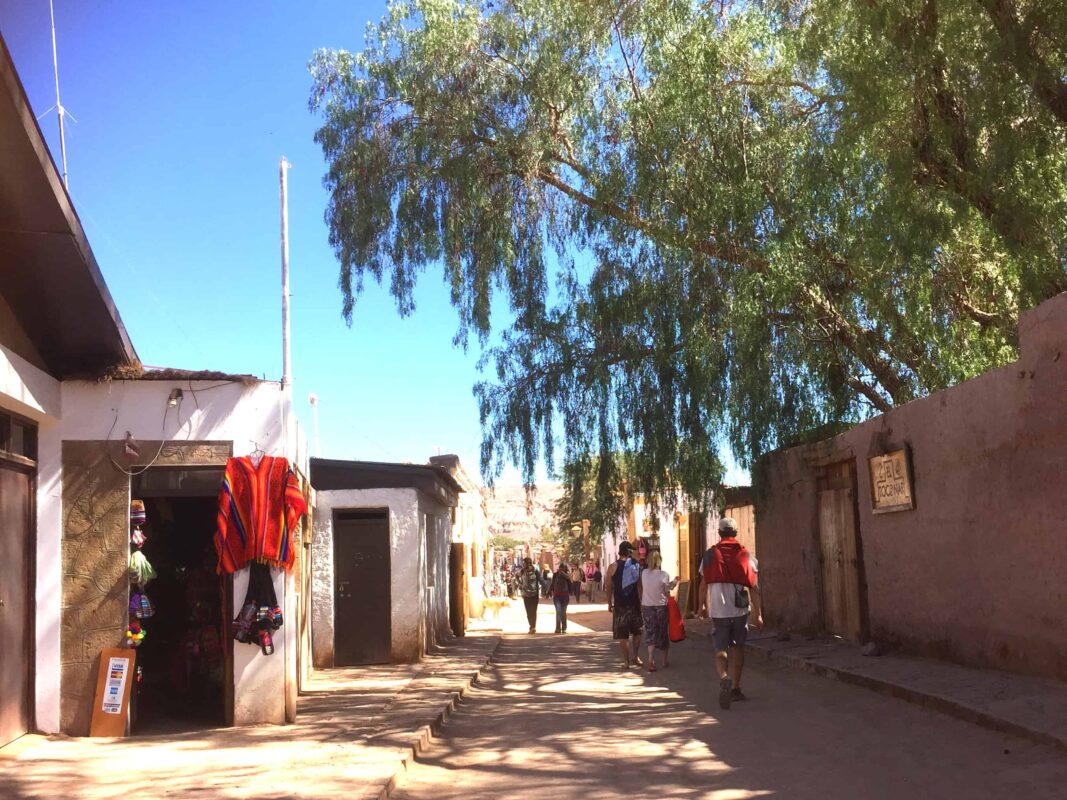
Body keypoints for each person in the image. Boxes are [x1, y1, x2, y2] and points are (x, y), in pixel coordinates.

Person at [698, 517, 762, 710]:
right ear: (735, 533)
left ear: (719, 533)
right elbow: (754, 588)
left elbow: (703, 584)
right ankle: (735, 688)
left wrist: (701, 606)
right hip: (740, 611)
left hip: (718, 611)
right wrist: (758, 613)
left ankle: (724, 677)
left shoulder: (709, 556)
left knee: (720, 648)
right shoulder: (747, 556)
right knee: (738, 648)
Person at [605, 541, 643, 667]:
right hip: (634, 603)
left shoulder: (612, 566)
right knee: (637, 632)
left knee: (623, 634)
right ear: (629, 552)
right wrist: (641, 600)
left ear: (619, 552)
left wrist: (609, 602)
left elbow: (609, 587)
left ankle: (626, 661)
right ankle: (636, 656)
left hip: (620, 604)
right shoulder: (635, 565)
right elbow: (639, 585)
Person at [640, 551, 679, 672]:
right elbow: (667, 590)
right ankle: (664, 660)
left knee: (650, 632)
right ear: (659, 561)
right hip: (660, 607)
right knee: (662, 632)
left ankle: (651, 659)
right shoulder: (664, 575)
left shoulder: (644, 573)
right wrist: (675, 582)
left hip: (647, 606)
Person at [518, 558, 541, 634]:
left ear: (529, 563)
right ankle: (531, 625)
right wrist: (520, 584)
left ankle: (533, 627)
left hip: (534, 594)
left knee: (533, 611)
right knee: (528, 612)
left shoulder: (536, 572)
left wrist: (547, 589)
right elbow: (516, 576)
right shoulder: (522, 571)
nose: (524, 565)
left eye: (524, 563)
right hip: (526, 595)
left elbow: (541, 580)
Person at [550, 563, 572, 633]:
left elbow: (568, 578)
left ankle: (564, 628)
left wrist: (562, 573)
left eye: (563, 568)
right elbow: (552, 583)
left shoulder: (567, 575)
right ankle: (557, 628)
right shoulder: (555, 574)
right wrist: (549, 591)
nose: (561, 570)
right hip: (557, 596)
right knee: (558, 612)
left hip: (565, 597)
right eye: (560, 568)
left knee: (563, 612)